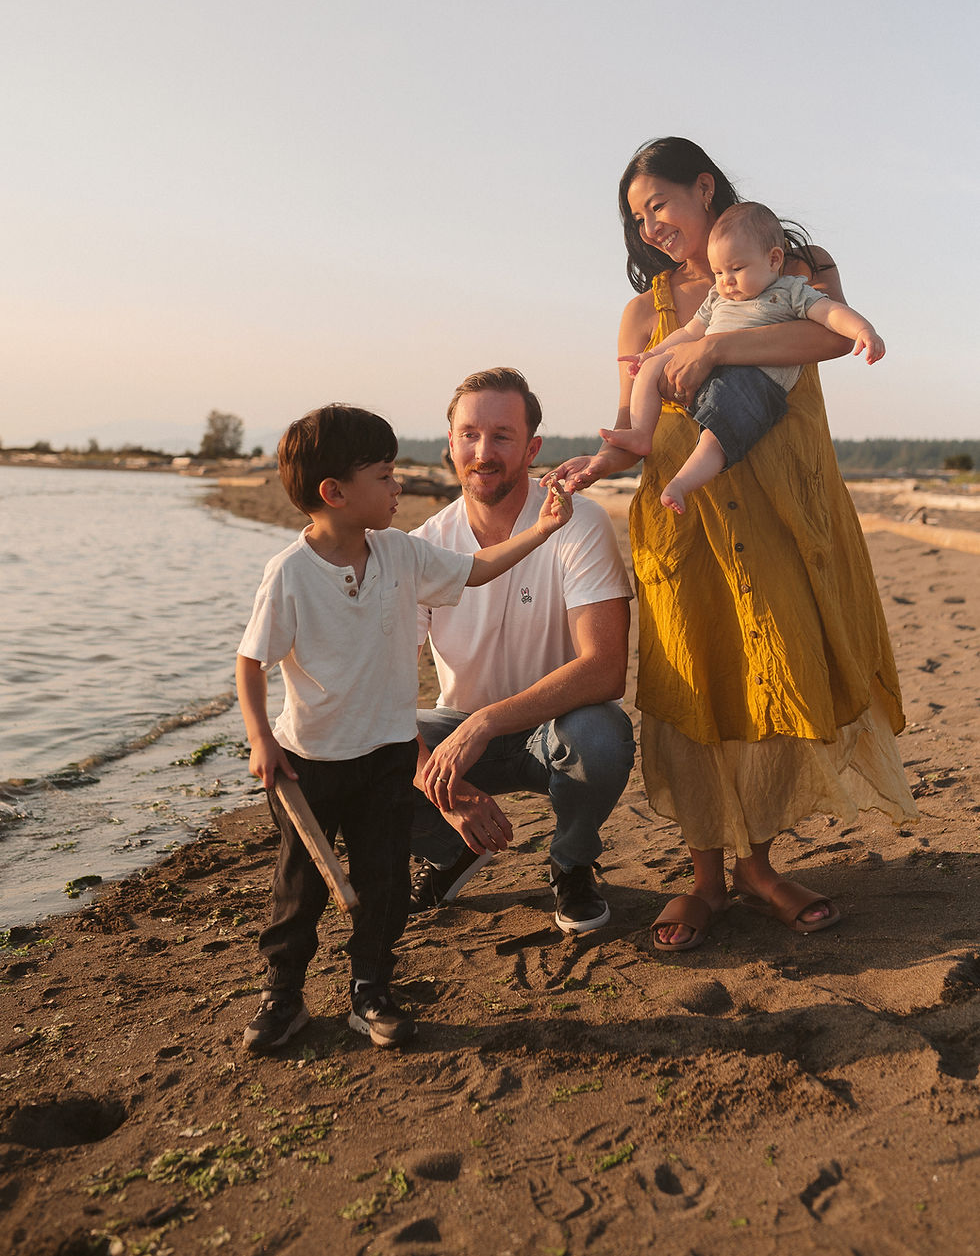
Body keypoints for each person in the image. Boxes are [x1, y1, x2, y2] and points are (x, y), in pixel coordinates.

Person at [547, 138, 915, 950]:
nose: (649, 226)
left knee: (766, 678)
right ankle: (706, 878)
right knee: (698, 682)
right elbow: (636, 424)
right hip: (684, 518)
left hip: (782, 511)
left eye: (659, 204)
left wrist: (714, 345)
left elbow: (826, 340)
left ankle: (758, 867)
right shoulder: (645, 310)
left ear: (704, 187)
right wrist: (594, 463)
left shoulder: (796, 263)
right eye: (637, 218)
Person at [236, 402, 571, 1053]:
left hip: (387, 757)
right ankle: (283, 997)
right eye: (385, 476)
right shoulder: (291, 573)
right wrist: (260, 739)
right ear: (335, 492)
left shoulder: (400, 553)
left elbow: (477, 568)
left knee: (384, 883)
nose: (400, 486)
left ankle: (371, 991)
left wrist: (543, 530)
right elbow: (251, 662)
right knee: (299, 888)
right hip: (310, 765)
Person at [408, 368, 635, 934]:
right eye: (469, 435)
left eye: (502, 436)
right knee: (346, 748)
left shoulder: (577, 522)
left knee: (602, 734)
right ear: (450, 444)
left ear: (532, 449)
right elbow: (380, 690)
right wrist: (438, 788)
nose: (483, 453)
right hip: (459, 733)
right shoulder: (424, 547)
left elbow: (606, 669)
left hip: (555, 731)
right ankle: (452, 851)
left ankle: (572, 864)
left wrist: (486, 722)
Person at [600, 202, 886, 515]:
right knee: (652, 367)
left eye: (736, 269)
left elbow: (830, 312)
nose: (726, 280)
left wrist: (864, 330)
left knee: (715, 439)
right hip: (705, 378)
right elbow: (690, 332)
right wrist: (652, 354)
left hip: (754, 385)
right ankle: (642, 433)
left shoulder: (789, 292)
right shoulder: (717, 297)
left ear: (773, 259)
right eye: (719, 272)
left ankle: (681, 483)